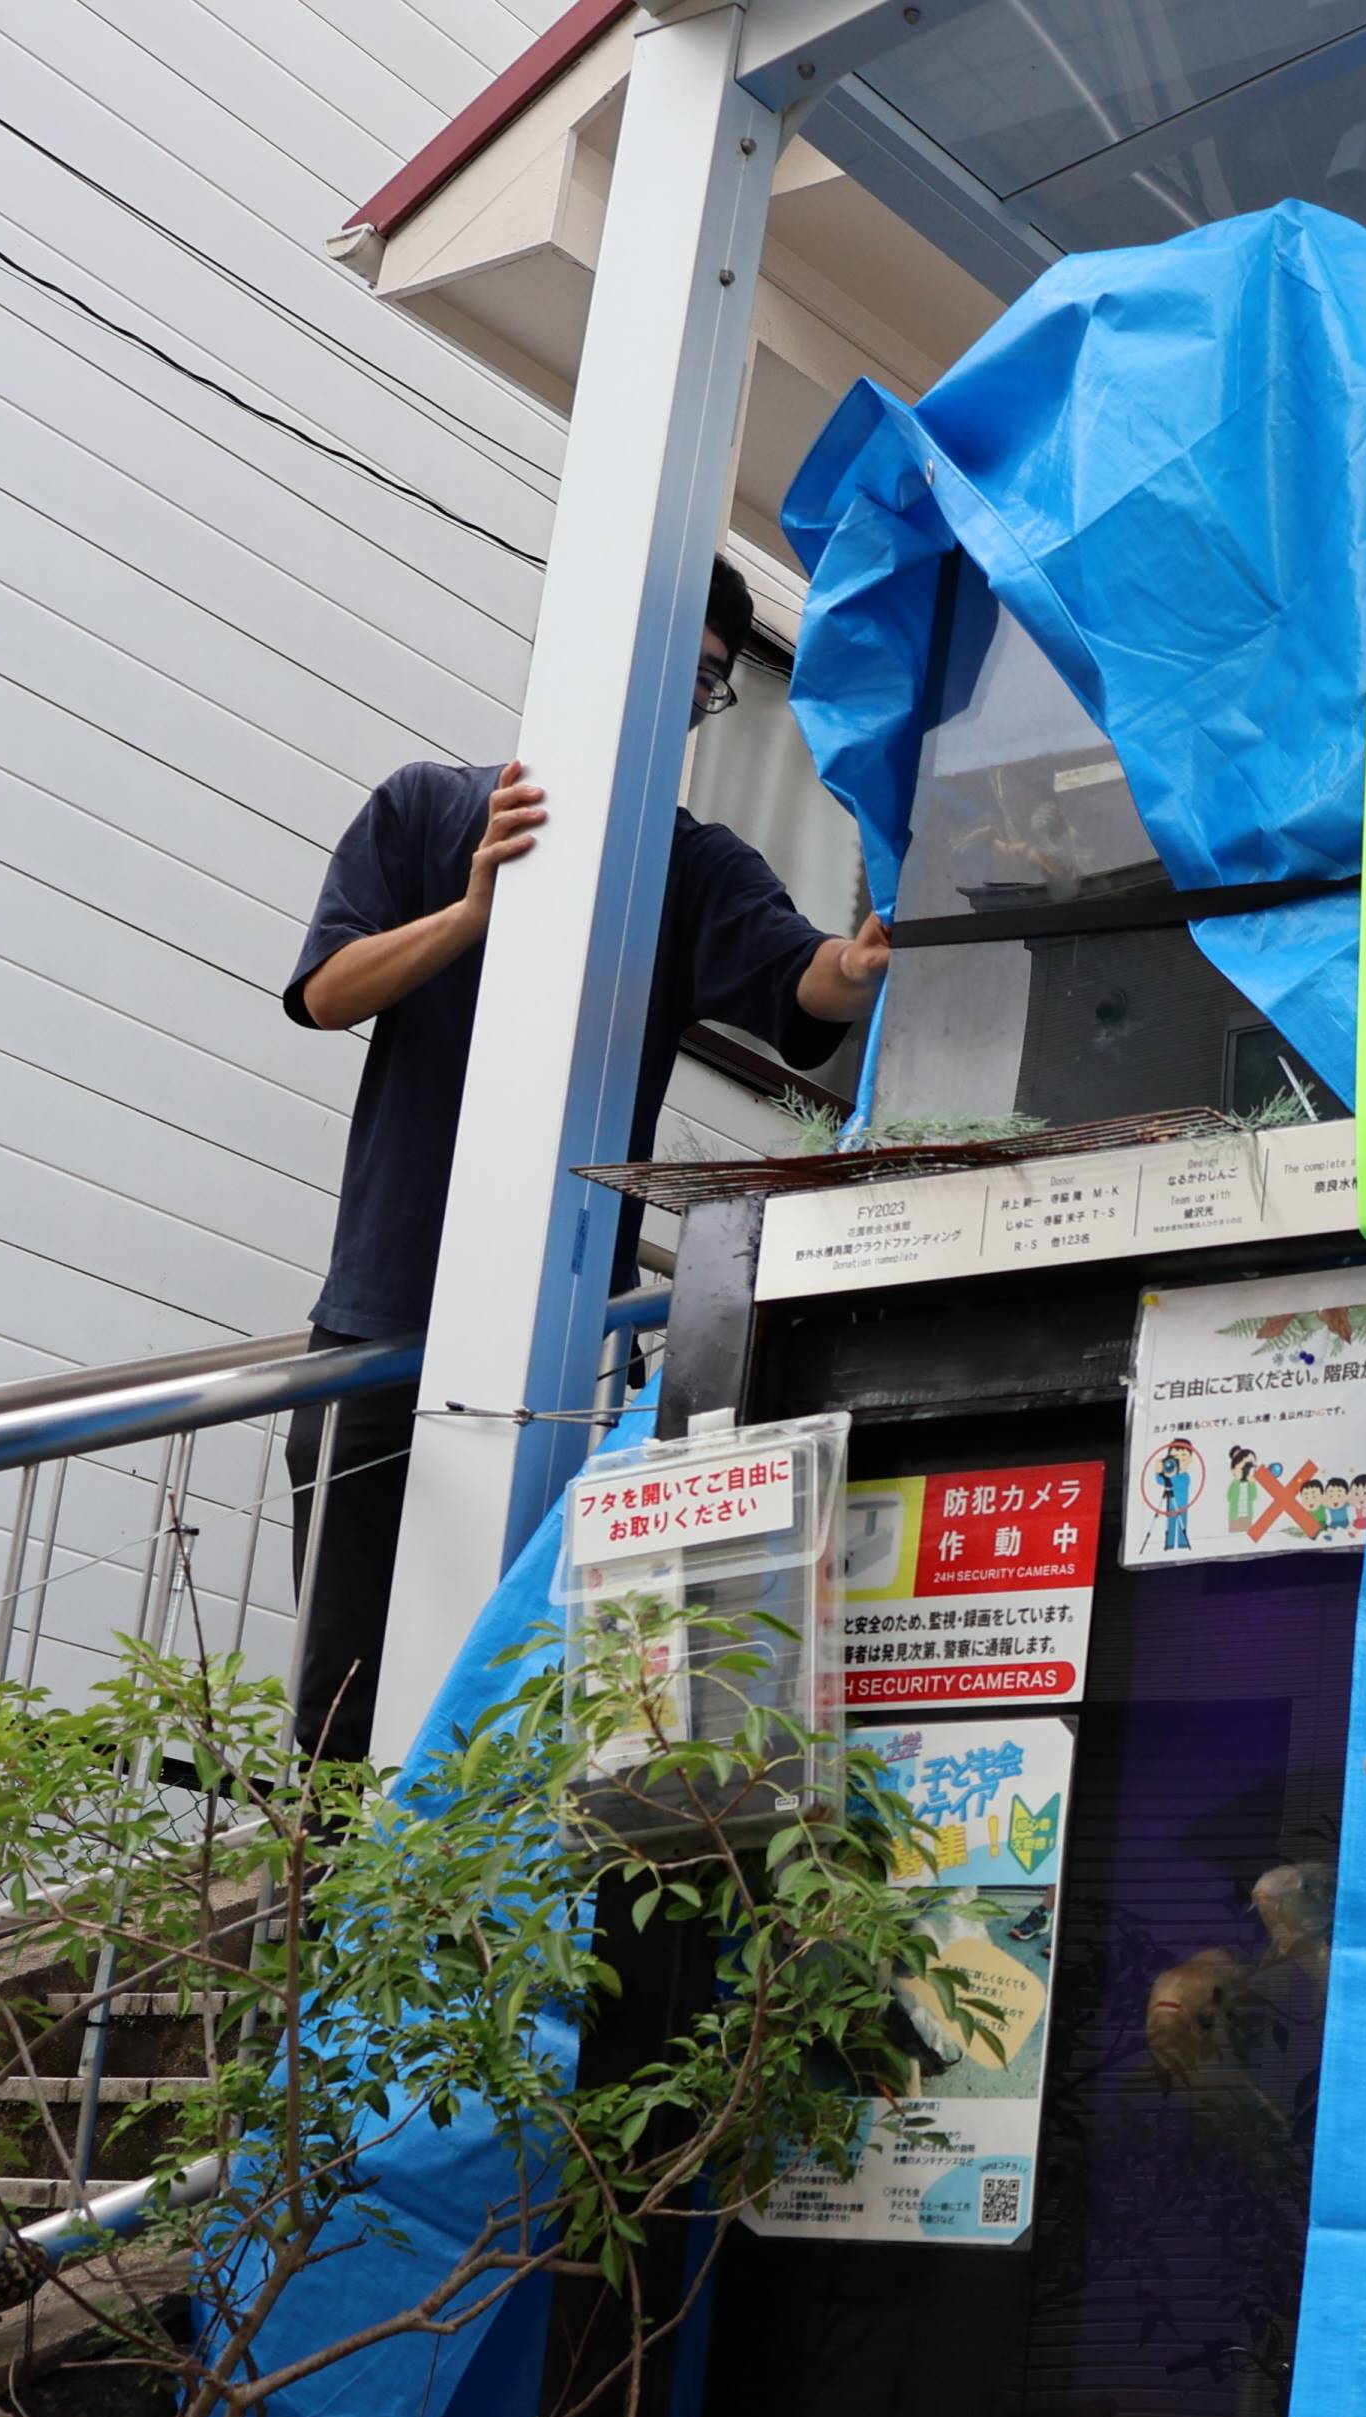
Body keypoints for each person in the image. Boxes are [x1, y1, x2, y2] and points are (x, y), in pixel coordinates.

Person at [279, 559, 892, 1759]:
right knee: (338, 1700)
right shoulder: (424, 808)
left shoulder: (694, 866)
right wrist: (468, 914)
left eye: (707, 683)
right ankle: (329, 1922)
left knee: (513, 1698)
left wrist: (862, 965)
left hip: (560, 1354)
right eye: (670, 661)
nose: (680, 696)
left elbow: (802, 974)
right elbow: (324, 991)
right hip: (376, 1323)